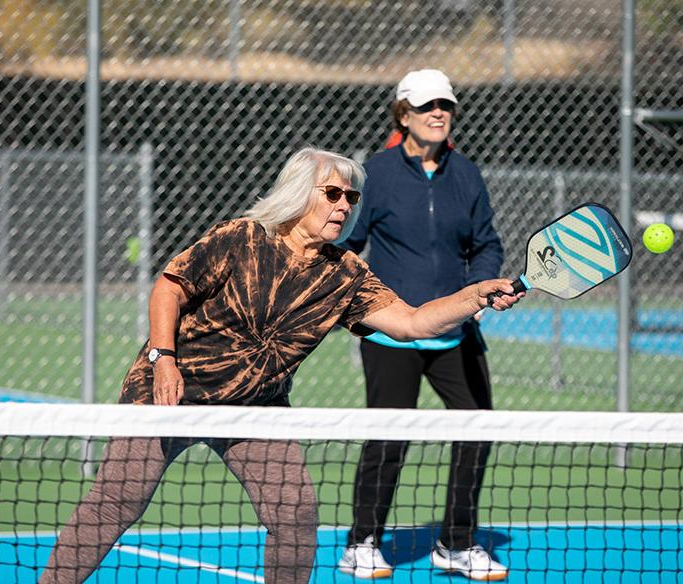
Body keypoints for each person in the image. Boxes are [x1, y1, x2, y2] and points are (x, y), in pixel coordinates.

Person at [38, 147, 522, 584]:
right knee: (116, 502)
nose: (344, 205)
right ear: (298, 194)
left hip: (256, 407)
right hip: (172, 390)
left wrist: (473, 294)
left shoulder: (346, 274)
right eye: (332, 193)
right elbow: (170, 286)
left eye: (351, 197)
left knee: (294, 513)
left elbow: (412, 323)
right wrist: (163, 358)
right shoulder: (243, 238)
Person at [338, 69, 508, 581]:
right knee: (389, 437)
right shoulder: (377, 173)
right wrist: (354, 306)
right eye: (427, 105)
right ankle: (362, 542)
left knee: (476, 431)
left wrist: (479, 290)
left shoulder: (467, 174)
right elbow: (346, 246)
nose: (439, 113)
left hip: (456, 331)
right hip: (392, 331)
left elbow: (487, 244)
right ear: (403, 114)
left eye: (446, 105)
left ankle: (456, 544)